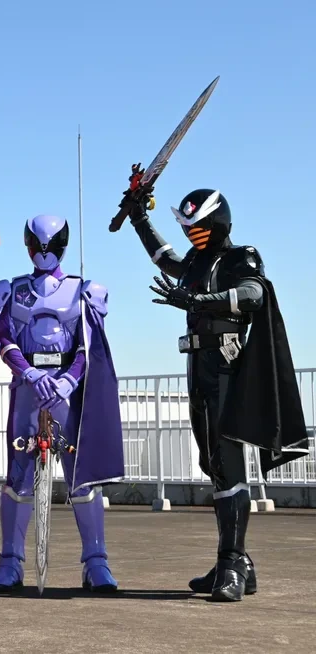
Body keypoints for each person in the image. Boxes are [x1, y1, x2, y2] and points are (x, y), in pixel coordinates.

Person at [127, 188, 310, 601]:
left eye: (199, 226)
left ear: (218, 222)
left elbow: (253, 294)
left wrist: (197, 300)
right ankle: (237, 560)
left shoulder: (241, 257)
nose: (193, 234)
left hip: (226, 366)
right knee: (212, 462)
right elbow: (166, 258)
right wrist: (139, 218)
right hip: (198, 367)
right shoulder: (196, 262)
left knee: (227, 463)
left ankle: (231, 563)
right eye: (188, 227)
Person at [0, 214, 124, 593]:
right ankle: (10, 562)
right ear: (28, 245)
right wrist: (31, 374)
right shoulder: (11, 290)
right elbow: (5, 339)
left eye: (49, 245)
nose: (43, 252)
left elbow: (87, 344)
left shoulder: (84, 291)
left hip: (67, 390)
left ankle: (96, 562)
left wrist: (68, 380)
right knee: (19, 475)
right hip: (28, 388)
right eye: (38, 245)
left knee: (82, 476)